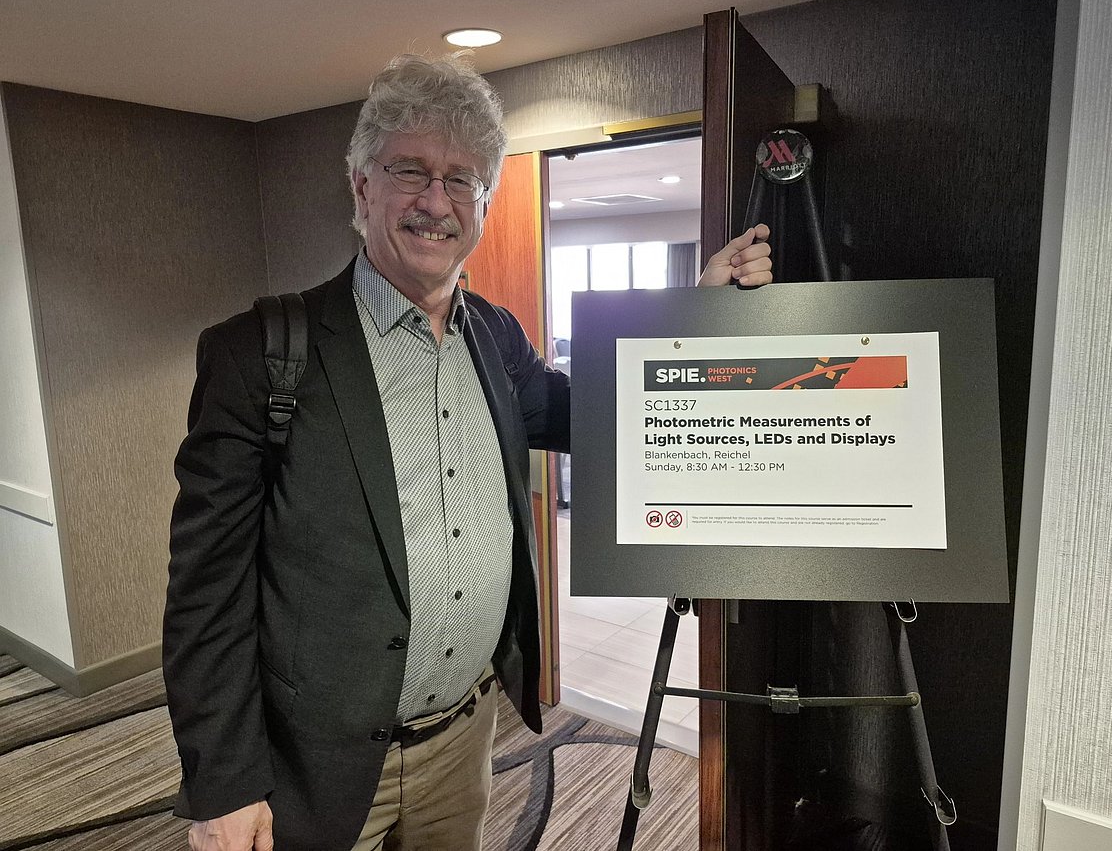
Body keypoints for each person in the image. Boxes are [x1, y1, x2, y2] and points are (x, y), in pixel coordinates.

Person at [163, 52, 772, 851]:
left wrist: (699, 309)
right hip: (314, 759)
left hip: (463, 741)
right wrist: (224, 783)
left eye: (461, 179)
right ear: (361, 186)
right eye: (409, 171)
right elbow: (206, 591)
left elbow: (596, 414)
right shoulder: (262, 352)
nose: (435, 201)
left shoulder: (495, 335)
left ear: (483, 201)